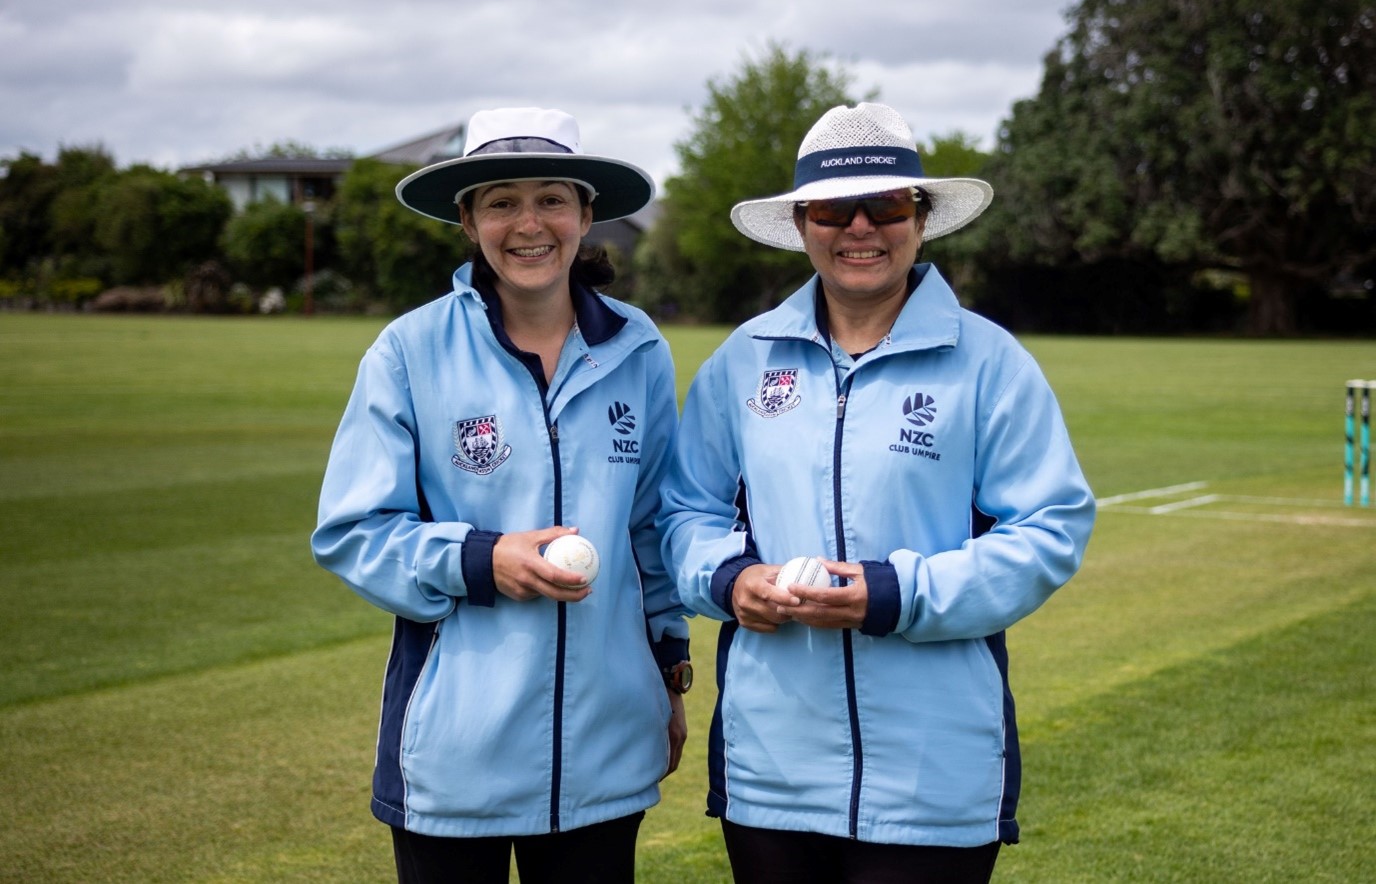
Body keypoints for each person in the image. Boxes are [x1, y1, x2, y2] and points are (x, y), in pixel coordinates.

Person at [658, 102, 1095, 883]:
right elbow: (685, 510)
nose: (861, 227)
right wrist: (730, 579)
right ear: (802, 224)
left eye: (887, 204)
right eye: (833, 208)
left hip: (934, 778)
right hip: (773, 773)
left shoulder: (988, 361)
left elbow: (1048, 528)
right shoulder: (745, 360)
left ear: (920, 219)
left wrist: (895, 594)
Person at [312, 107, 692, 884]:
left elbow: (651, 527)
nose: (530, 223)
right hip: (457, 757)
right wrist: (484, 559)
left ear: (586, 216)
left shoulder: (638, 347)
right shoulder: (410, 350)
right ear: (468, 221)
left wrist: (670, 670)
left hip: (605, 752)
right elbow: (354, 530)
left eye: (552, 198)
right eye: (500, 201)